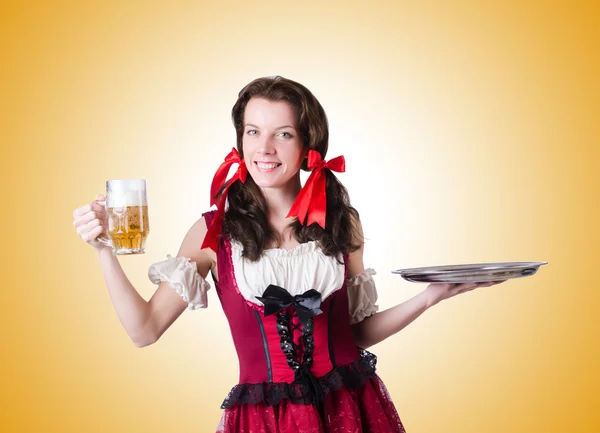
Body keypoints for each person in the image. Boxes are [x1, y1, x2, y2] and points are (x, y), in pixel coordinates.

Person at [72, 76, 504, 432]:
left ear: (307, 145)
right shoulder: (213, 230)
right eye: (253, 132)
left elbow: (354, 335)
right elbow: (144, 330)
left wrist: (431, 296)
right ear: (240, 141)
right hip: (263, 422)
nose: (265, 149)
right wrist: (103, 252)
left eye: (283, 134)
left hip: (352, 412)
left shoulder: (341, 222)